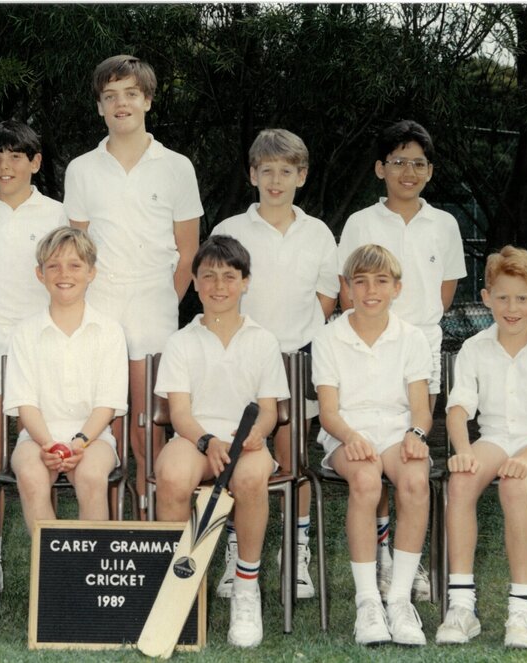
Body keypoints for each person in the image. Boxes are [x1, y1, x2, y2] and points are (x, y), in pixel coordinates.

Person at [64, 54, 203, 510]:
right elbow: (78, 250)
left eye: (129, 93)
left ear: (147, 99)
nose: (120, 103)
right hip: (99, 305)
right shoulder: (82, 168)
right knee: (109, 425)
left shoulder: (177, 166)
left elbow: (188, 252)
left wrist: (167, 298)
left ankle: (150, 521)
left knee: (147, 425)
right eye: (110, 96)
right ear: (99, 106)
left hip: (153, 304)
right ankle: (112, 524)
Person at [337, 120, 465, 601]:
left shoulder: (446, 224)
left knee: (410, 448)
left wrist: (410, 331)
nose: (407, 172)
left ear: (430, 171)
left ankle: (410, 565)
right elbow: (348, 288)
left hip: (420, 346)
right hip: (367, 344)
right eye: (397, 162)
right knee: (370, 445)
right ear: (379, 168)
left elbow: (446, 292)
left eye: (417, 163)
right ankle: (384, 555)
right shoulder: (360, 223)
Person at [211, 128, 339, 600]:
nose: (276, 180)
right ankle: (233, 553)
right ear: (253, 174)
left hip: (299, 358)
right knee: (240, 456)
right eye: (267, 171)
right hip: (242, 358)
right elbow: (219, 291)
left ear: (301, 176)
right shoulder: (230, 230)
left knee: (294, 460)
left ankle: (296, 554)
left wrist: (301, 340)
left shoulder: (319, 233)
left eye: (286, 171)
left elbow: (327, 294)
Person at [436, 246, 527, 649]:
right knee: (462, 480)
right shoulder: (474, 348)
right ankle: (462, 607)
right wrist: (463, 450)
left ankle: (522, 611)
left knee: (514, 486)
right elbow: (457, 408)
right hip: (495, 439)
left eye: (522, 298)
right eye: (502, 297)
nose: (512, 307)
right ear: (486, 298)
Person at [154, 235, 289, 648]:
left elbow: (268, 409)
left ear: (245, 282)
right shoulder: (180, 341)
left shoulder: (263, 340)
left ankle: (245, 588)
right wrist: (207, 440)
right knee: (174, 476)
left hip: (245, 441)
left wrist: (256, 434)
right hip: (195, 436)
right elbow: (179, 413)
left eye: (229, 276)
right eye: (208, 276)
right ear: (194, 282)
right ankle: (176, 589)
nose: (218, 286)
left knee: (249, 481)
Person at [0, 120, 67, 601]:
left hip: (41, 349)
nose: (6, 166)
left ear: (36, 162)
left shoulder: (59, 213)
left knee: (53, 457)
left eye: (17, 157)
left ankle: (66, 566)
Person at [313, 244, 432, 646]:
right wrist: (351, 437)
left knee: (416, 482)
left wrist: (416, 437)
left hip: (397, 431)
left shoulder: (413, 338)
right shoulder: (328, 338)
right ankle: (368, 603)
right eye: (360, 282)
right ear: (346, 287)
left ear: (397, 287)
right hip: (347, 431)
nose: (370, 290)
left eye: (381, 281)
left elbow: (421, 411)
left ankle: (398, 601)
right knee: (366, 481)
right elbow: (328, 412)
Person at [5, 227, 128, 532]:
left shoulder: (110, 331)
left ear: (92, 273)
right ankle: (54, 573)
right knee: (32, 478)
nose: (64, 274)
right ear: (40, 274)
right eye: (54, 265)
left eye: (75, 265)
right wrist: (49, 445)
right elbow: (25, 404)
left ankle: (92, 567)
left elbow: (107, 405)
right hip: (36, 438)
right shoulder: (25, 332)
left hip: (94, 437)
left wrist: (79, 443)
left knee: (89, 477)